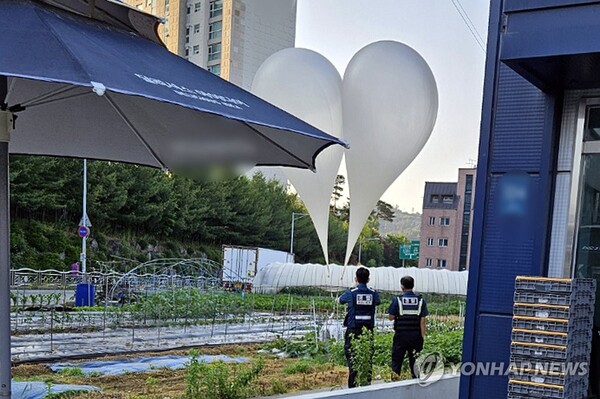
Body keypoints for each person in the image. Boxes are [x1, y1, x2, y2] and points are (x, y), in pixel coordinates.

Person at [338, 267, 381, 388]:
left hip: (353, 330)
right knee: (367, 357)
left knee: (352, 357)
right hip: (368, 331)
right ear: (368, 279)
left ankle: (353, 388)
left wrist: (353, 286)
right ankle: (366, 386)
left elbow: (340, 300)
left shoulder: (351, 293)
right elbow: (378, 302)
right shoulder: (373, 293)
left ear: (356, 278)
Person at [387, 275, 428, 380]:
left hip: (401, 336)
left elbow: (391, 317)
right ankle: (416, 384)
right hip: (416, 336)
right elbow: (422, 321)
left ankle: (394, 384)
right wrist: (423, 337)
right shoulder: (421, 301)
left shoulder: (397, 300)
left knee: (396, 362)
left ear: (402, 287)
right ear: (413, 286)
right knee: (415, 363)